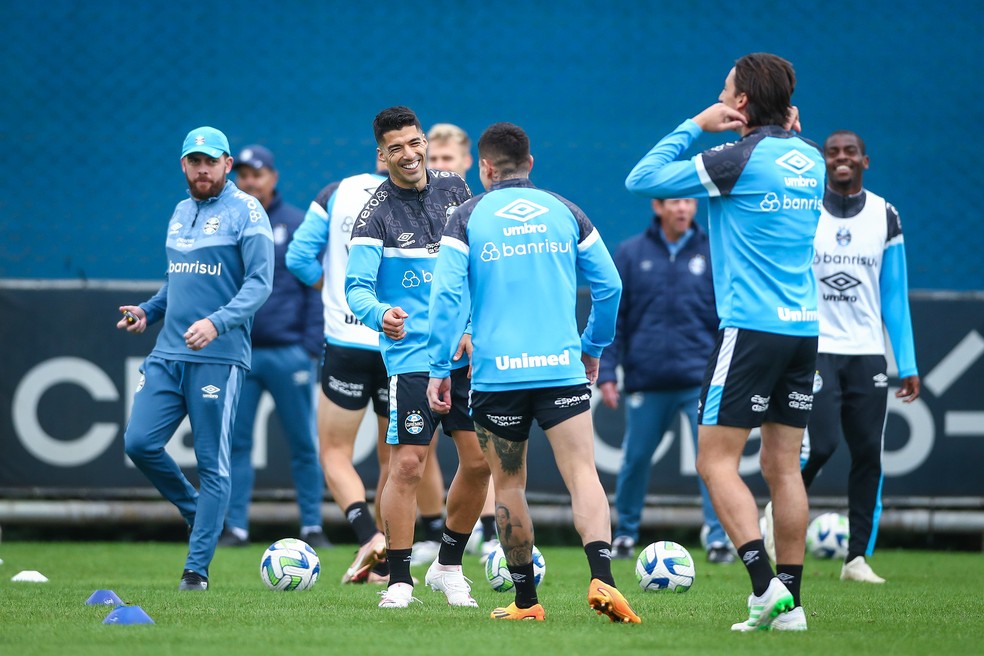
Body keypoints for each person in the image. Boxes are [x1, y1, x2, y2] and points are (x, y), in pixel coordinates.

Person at [625, 52, 823, 631]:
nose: (719, 98)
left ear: (739, 104)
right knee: (784, 468)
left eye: (724, 92)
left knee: (714, 464)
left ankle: (765, 590)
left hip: (752, 330)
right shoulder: (807, 158)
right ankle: (791, 603)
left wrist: (694, 125)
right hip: (803, 329)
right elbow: (781, 150)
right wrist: (782, 129)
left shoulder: (738, 158)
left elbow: (642, 180)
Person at [427, 122, 641, 624]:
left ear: (483, 168)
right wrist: (593, 349)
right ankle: (603, 580)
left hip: (498, 379)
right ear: (531, 163)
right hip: (561, 369)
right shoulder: (567, 212)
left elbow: (446, 298)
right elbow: (609, 288)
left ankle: (526, 602)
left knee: (509, 488)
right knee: (582, 475)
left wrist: (440, 365)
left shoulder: (467, 215)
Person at [345, 106, 490, 609]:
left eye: (414, 143)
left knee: (480, 463)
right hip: (411, 357)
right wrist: (381, 313)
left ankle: (449, 567)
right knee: (407, 464)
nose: (408, 155)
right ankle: (402, 580)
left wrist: (471, 327)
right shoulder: (374, 213)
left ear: (423, 141)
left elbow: (477, 269)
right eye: (395, 148)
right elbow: (356, 290)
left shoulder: (455, 190)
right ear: (381, 155)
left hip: (464, 353)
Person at [118, 126, 274, 591]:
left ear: (227, 165)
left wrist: (217, 322)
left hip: (218, 357)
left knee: (214, 465)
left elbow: (260, 283)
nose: (202, 168)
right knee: (138, 443)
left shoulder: (247, 211)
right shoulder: (181, 209)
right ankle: (196, 511)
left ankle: (196, 571)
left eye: (211, 161)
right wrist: (148, 311)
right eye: (194, 161)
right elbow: (178, 279)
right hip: (167, 353)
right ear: (183, 165)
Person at [800, 129, 919, 583]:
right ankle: (780, 510)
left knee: (868, 452)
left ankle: (857, 559)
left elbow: (894, 295)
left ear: (865, 161)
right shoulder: (807, 210)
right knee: (823, 445)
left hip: (868, 354)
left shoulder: (885, 215)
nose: (841, 158)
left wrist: (905, 362)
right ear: (824, 162)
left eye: (850, 152)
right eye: (832, 153)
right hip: (817, 349)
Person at [598, 197, 732, 564]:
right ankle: (624, 533)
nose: (682, 208)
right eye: (674, 202)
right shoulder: (630, 252)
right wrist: (607, 372)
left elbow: (727, 317)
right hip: (647, 380)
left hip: (699, 380)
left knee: (713, 460)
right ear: (658, 206)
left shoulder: (714, 251)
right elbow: (616, 318)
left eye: (688, 201)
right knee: (635, 458)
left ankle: (719, 538)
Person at [212, 145, 328, 549]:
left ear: (273, 178)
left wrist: (310, 346)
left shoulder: (296, 223)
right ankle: (236, 526)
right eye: (242, 175)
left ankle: (312, 525)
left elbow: (315, 285)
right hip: (240, 353)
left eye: (256, 175)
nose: (249, 182)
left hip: (288, 352)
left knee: (302, 443)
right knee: (237, 443)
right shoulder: (225, 223)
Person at [286, 157, 392, 584]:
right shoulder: (427, 197)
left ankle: (368, 538)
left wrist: (327, 285)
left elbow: (297, 257)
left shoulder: (337, 191)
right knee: (395, 460)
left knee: (333, 453)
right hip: (396, 343)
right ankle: (387, 559)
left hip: (346, 341)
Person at [411, 122, 499, 567]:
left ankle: (484, 530)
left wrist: (470, 326)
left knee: (483, 445)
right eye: (435, 160)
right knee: (415, 448)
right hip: (419, 346)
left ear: (468, 164)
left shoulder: (481, 216)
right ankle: (431, 529)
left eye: (448, 160)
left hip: (470, 347)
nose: (440, 168)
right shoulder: (411, 212)